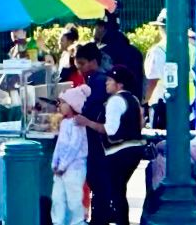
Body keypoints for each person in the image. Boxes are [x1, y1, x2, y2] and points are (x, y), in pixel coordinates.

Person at [75, 66, 143, 225]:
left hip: (119, 152)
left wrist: (87, 122)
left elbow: (109, 130)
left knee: (115, 191)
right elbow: (139, 124)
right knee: (119, 191)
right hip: (135, 149)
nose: (106, 83)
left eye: (110, 81)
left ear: (119, 85)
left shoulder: (115, 101)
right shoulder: (133, 99)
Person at [72, 43, 109, 225]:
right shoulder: (96, 80)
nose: (79, 69)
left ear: (93, 62)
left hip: (97, 139)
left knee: (98, 180)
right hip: (96, 138)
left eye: (82, 63)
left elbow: (88, 108)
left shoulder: (98, 81)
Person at [51, 85, 91, 225]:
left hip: (74, 168)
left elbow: (73, 147)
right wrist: (55, 163)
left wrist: (62, 165)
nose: (59, 106)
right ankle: (58, 221)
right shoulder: (64, 123)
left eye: (62, 103)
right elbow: (59, 146)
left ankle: (77, 221)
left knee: (74, 198)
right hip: (61, 169)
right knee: (58, 197)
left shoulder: (77, 124)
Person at [93, 11, 144, 100]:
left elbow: (101, 80)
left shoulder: (103, 53)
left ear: (101, 27)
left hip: (112, 100)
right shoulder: (135, 51)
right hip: (134, 100)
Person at [145, 10, 168, 129]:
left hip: (161, 104)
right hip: (186, 105)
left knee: (159, 144)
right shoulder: (189, 48)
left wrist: (143, 101)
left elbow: (152, 80)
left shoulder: (158, 50)